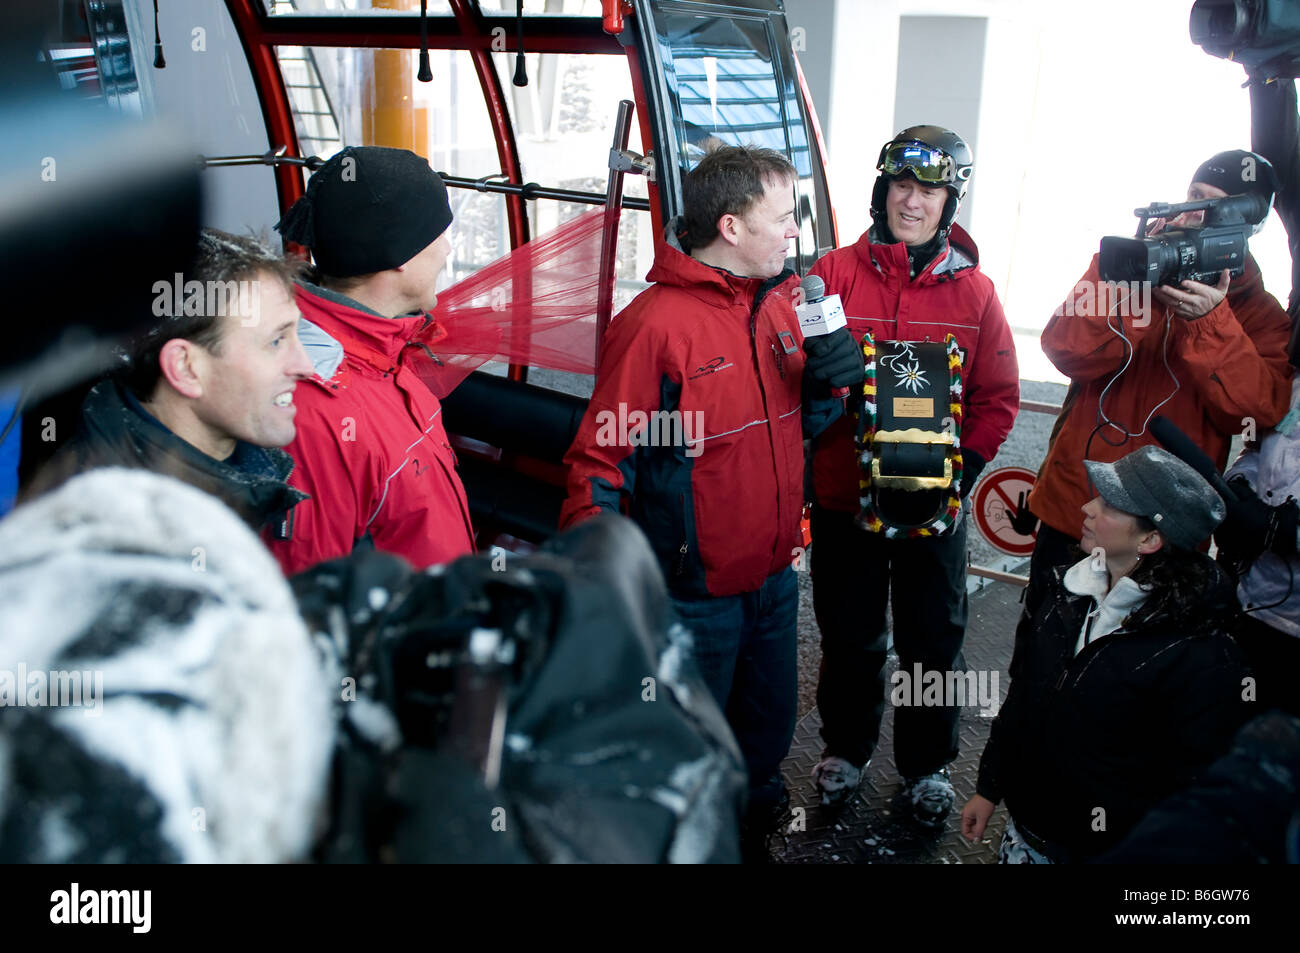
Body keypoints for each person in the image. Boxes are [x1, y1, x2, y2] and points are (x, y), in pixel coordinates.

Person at [560, 144, 859, 859]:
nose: (796, 233)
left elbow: (796, 431)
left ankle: (751, 829)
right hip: (692, 599)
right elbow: (599, 461)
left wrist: (827, 388)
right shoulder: (654, 326)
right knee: (686, 753)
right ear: (730, 226)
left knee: (763, 740)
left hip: (774, 584)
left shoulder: (784, 305)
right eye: (783, 218)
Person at [804, 125, 1019, 826]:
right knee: (850, 632)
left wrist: (963, 475)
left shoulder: (978, 295)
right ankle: (845, 746)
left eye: (929, 189)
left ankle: (926, 765)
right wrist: (813, 380)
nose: (913, 200)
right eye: (902, 184)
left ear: (948, 202)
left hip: (936, 506)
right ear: (881, 190)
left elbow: (998, 398)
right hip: (845, 500)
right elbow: (786, 367)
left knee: (932, 637)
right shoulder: (832, 273)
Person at [1023, 150, 1294, 623]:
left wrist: (1210, 322)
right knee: (1041, 664)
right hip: (1077, 512)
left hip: (1164, 533)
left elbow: (1254, 413)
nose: (1191, 213)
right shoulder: (1124, 262)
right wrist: (1138, 290)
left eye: (1214, 206)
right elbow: (1064, 349)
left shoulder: (1259, 315)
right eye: (1193, 195)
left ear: (1246, 226)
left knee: (1138, 679)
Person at [961, 446, 1251, 863]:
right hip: (1026, 831)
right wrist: (990, 788)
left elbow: (1189, 788)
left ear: (1151, 539)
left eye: (1111, 504)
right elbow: (1025, 699)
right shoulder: (1068, 594)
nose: (1087, 507)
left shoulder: (1201, 654)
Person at [270, 145, 476, 575]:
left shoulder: (387, 352)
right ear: (399, 254)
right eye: (439, 232)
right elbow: (311, 604)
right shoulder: (311, 413)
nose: (446, 249)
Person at [24, 229, 314, 533]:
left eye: (297, 332)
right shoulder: (111, 535)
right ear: (185, 368)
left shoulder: (235, 473)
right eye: (277, 341)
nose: (306, 366)